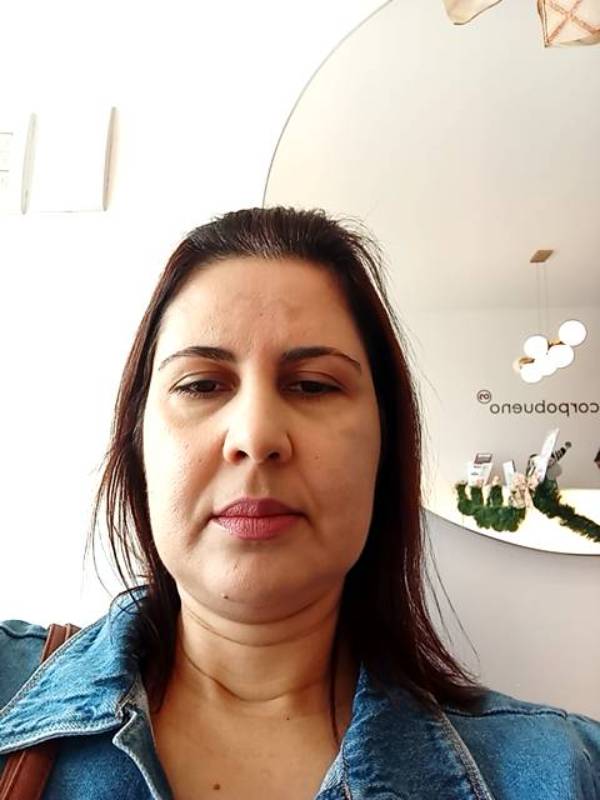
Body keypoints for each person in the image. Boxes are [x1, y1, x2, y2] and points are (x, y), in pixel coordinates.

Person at [0, 206, 598, 800]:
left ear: (384, 448)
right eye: (202, 384)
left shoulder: (563, 773)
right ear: (138, 444)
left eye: (312, 385)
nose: (256, 435)